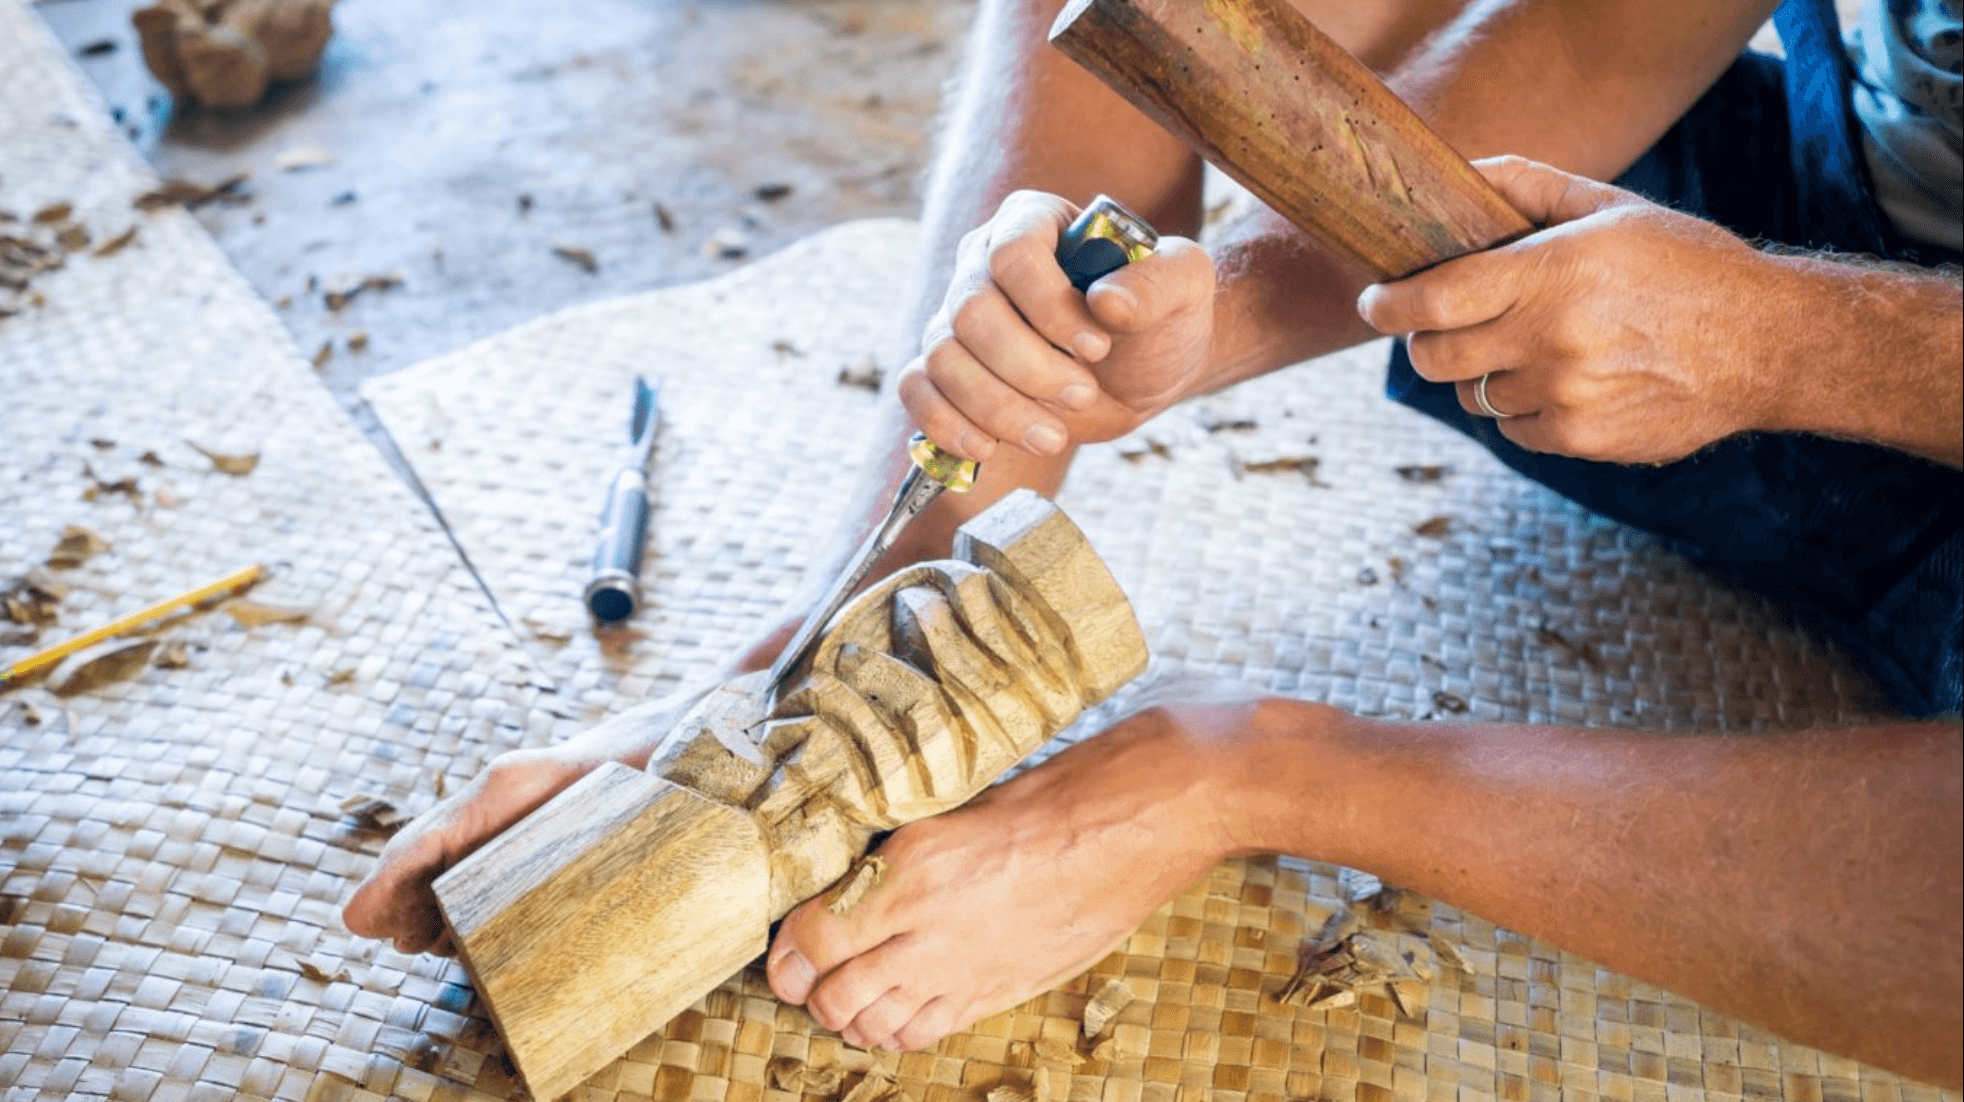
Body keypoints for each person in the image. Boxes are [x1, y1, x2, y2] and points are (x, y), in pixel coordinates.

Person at [344, 0, 1964, 1087]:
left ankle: (1257, 768)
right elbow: (1611, 22)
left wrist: (1788, 345)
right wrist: (1184, 321)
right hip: (1822, 213)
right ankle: (849, 661)